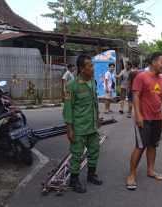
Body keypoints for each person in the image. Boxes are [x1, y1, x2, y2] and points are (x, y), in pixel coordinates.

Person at [126, 52, 162, 190]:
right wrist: (137, 115)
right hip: (144, 118)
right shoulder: (141, 77)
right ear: (154, 62)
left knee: (152, 145)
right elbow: (136, 96)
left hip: (157, 118)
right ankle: (131, 174)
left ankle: (150, 170)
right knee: (140, 146)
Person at [62, 54, 103, 193]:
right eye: (90, 66)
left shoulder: (92, 81)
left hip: (92, 126)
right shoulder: (72, 86)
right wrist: (69, 128)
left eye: (93, 65)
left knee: (94, 151)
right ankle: (74, 181)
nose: (93, 68)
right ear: (82, 68)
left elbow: (95, 103)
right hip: (78, 127)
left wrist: (97, 117)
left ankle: (91, 175)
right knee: (76, 155)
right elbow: (68, 108)